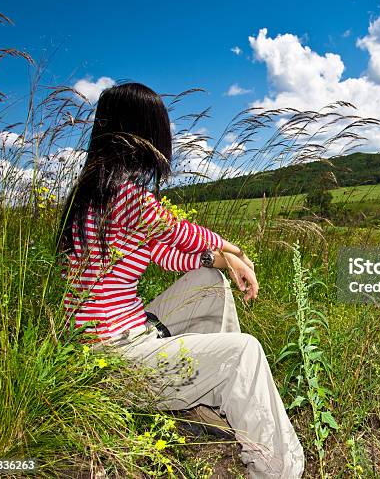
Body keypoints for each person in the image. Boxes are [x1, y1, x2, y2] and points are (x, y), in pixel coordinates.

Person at [57, 82, 304, 478]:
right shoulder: (126, 197)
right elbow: (181, 233)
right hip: (117, 360)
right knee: (245, 353)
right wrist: (234, 251)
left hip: (123, 337)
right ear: (143, 133)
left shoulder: (93, 194)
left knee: (207, 279)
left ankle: (212, 398)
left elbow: (164, 254)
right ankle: (278, 470)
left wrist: (218, 260)